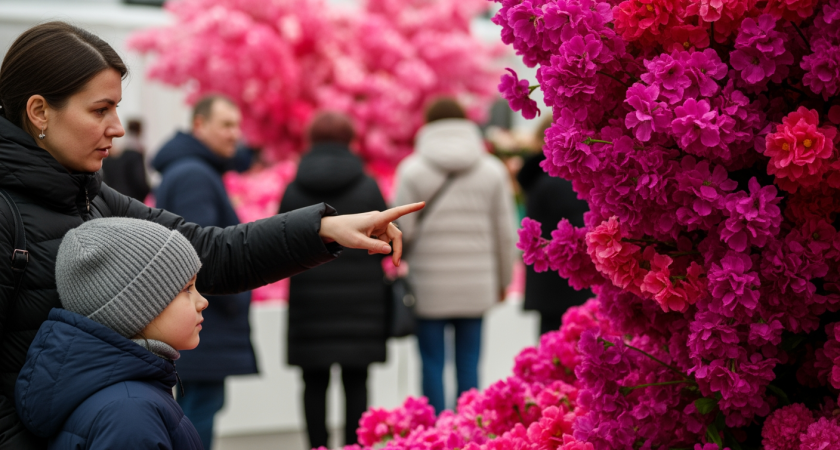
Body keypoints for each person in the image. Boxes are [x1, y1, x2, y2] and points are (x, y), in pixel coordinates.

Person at [0, 21, 421, 449]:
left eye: (116, 108)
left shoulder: (92, 195)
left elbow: (211, 252)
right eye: (100, 110)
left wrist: (324, 228)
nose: (118, 127)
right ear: (39, 112)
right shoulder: (10, 211)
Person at [15, 218, 207, 449]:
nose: (202, 301)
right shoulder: (130, 413)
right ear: (136, 308)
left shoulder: (128, 399)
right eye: (187, 288)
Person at [394, 98, 516, 413]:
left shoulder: (412, 171)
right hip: (476, 285)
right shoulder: (492, 170)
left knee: (432, 363)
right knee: (470, 363)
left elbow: (399, 232)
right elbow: (505, 234)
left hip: (428, 285)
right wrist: (503, 282)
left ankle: (433, 435)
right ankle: (468, 432)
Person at [151, 94, 257, 450]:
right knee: (199, 411)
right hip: (203, 322)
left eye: (237, 126)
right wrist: (232, 301)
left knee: (196, 407)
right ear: (199, 125)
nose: (235, 135)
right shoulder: (195, 175)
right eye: (226, 125)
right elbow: (203, 253)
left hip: (200, 320)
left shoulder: (193, 170)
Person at [279, 112, 388, 448]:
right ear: (349, 141)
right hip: (361, 304)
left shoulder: (294, 190)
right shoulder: (368, 186)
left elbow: (278, 245)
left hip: (310, 304)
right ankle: (357, 445)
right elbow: (385, 240)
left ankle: (317, 445)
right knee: (357, 380)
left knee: (314, 382)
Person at [516, 116, 592, 336]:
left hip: (549, 287)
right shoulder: (563, 179)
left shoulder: (538, 179)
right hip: (575, 284)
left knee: (554, 355)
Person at [101, 118, 150, 201]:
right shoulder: (135, 153)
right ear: (139, 131)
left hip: (115, 199)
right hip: (132, 200)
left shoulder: (116, 154)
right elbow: (139, 180)